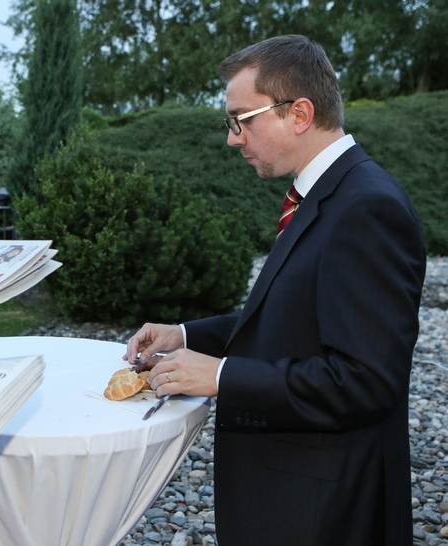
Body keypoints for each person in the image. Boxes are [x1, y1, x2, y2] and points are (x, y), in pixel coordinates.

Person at [124, 35, 425, 545]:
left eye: (241, 120)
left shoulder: (367, 208)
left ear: (299, 113)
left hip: (324, 513)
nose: (233, 138)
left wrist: (222, 375)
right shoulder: (325, 194)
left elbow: (366, 382)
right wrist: (185, 335)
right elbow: (293, 319)